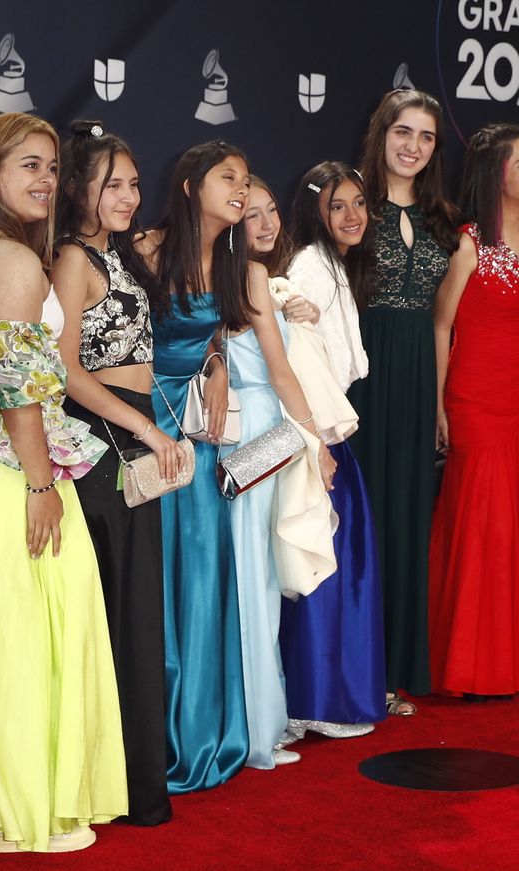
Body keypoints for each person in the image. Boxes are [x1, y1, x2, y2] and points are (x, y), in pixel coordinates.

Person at [0, 111, 127, 853]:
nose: (45, 179)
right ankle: (12, 808)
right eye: (27, 167)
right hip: (14, 477)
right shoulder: (12, 261)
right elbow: (15, 388)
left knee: (1, 646)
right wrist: (41, 487)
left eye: (50, 166)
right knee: (18, 645)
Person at [51, 119, 176, 824]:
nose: (128, 196)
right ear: (79, 189)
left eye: (133, 183)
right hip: (102, 444)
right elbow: (66, 369)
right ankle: (112, 782)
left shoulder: (123, 256)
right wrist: (142, 428)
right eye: (112, 184)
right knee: (116, 612)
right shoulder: (73, 259)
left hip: (135, 435)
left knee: (137, 611)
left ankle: (135, 778)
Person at [248, 167, 384, 738]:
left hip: (323, 428)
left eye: (358, 204)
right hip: (312, 433)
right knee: (319, 564)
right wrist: (320, 443)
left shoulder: (326, 266)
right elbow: (298, 366)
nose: (352, 217)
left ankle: (326, 694)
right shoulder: (304, 269)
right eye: (337, 207)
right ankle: (319, 698)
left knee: (330, 563)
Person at [142, 141, 252, 791]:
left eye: (244, 178)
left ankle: (205, 730)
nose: (240, 187)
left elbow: (210, 334)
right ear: (189, 187)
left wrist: (216, 364)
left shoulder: (232, 255)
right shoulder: (150, 250)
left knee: (206, 574)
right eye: (226, 177)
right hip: (146, 433)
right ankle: (159, 737)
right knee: (158, 581)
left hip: (199, 435)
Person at [430, 125, 519, 700]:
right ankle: (466, 664)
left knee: (514, 529)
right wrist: (437, 403)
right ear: (495, 173)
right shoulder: (468, 242)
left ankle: (505, 663)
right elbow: (441, 325)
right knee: (483, 524)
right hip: (474, 399)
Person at [352, 89, 463, 712]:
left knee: (405, 525)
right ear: (381, 134)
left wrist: (439, 401)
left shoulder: (445, 220)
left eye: (425, 136)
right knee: (358, 522)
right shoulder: (347, 206)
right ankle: (345, 672)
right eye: (402, 131)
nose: (412, 146)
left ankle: (392, 673)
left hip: (417, 380)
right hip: (358, 377)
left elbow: (442, 323)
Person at [221, 173, 335, 771]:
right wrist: (316, 442)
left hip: (249, 431)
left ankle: (248, 720)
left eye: (270, 211)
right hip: (264, 429)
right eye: (249, 212)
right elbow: (281, 371)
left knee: (252, 578)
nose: (265, 223)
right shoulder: (248, 277)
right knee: (255, 582)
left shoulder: (239, 276)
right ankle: (256, 727)